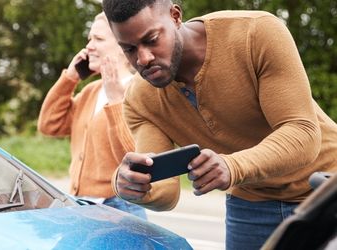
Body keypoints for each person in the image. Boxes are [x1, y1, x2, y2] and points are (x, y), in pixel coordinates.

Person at [101, 0, 337, 249]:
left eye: (151, 40)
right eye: (129, 49)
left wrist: (231, 165)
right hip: (251, 204)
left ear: (175, 15)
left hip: (328, 186)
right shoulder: (140, 100)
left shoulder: (255, 33)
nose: (143, 59)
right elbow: (165, 194)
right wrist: (131, 185)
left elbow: (303, 133)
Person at [37, 12, 147, 220]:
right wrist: (70, 77)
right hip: (81, 205)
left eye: (98, 39)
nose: (88, 47)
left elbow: (135, 158)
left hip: (119, 209)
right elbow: (49, 125)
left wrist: (116, 101)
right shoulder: (91, 91)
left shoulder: (140, 90)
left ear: (123, 44)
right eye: (89, 39)